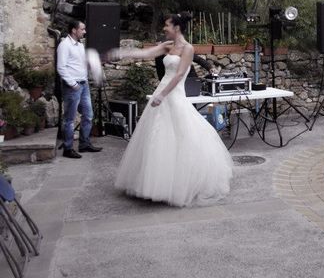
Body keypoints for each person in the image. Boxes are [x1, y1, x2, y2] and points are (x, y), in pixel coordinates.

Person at [109, 12, 233, 206]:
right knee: (155, 137)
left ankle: (177, 184)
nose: (164, 28)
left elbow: (179, 75)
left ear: (176, 27)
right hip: (162, 92)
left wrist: (162, 95)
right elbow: (146, 53)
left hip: (173, 95)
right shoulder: (167, 46)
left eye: (167, 25)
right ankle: (151, 183)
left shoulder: (188, 48)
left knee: (179, 136)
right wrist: (122, 52)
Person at [56, 20, 103, 159]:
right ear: (74, 30)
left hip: (84, 85)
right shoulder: (64, 45)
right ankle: (68, 148)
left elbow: (79, 64)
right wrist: (73, 84)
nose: (85, 31)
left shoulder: (80, 45)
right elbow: (61, 67)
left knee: (88, 115)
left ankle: (84, 144)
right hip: (73, 86)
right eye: (82, 29)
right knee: (69, 120)